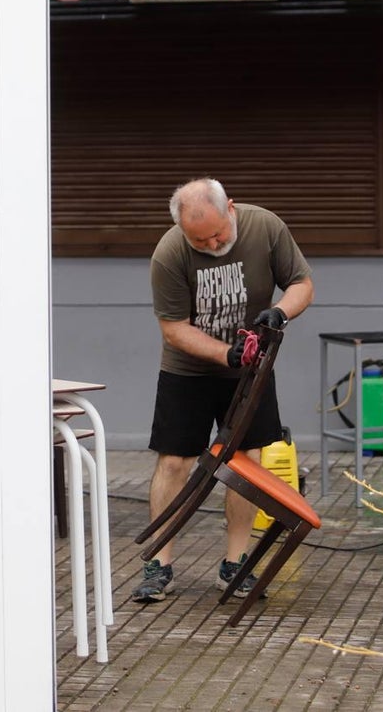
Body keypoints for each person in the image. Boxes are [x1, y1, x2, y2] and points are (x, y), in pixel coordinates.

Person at [133, 177, 314, 603]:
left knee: (246, 462)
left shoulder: (265, 227)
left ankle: (235, 564)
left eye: (217, 234)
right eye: (200, 240)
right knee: (174, 462)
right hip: (187, 370)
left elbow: (302, 284)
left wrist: (279, 312)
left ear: (230, 207)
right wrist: (224, 354)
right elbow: (174, 329)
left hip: (250, 372)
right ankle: (159, 565)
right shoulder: (169, 253)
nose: (212, 244)